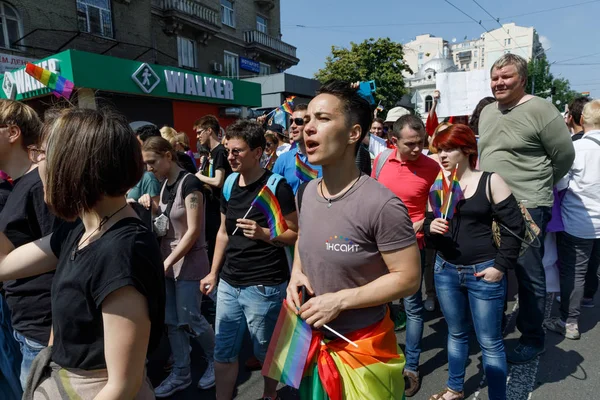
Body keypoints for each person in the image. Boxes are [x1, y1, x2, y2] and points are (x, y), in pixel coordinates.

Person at [0, 107, 165, 399]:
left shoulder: (122, 250)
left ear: (76, 165)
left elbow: (122, 386)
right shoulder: (79, 229)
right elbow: (4, 265)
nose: (39, 164)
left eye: (45, 155)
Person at [287, 80, 421, 399]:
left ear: (353, 134)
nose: (308, 128)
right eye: (307, 119)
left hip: (364, 351)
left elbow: (409, 279)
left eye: (323, 118)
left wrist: (340, 300)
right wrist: (296, 273)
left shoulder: (382, 205)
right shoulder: (305, 192)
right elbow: (304, 238)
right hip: (312, 344)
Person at [478, 53, 575, 364]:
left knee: (528, 271)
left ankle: (533, 337)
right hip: (490, 202)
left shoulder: (541, 110)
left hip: (527, 203)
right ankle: (493, 327)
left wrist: (540, 184)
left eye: (506, 77)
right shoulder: (488, 112)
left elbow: (564, 156)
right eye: (495, 78)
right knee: (493, 265)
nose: (499, 83)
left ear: (522, 79)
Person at [200, 120, 298, 400]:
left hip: (264, 286)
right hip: (230, 282)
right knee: (224, 350)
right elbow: (222, 233)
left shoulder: (276, 187)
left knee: (265, 352)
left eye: (237, 151)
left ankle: (270, 395)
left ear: (258, 152)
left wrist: (264, 233)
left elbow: (294, 234)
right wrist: (212, 273)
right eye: (229, 150)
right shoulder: (230, 183)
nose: (230, 157)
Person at [425, 124, 524, 400]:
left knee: (490, 342)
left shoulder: (490, 181)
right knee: (456, 334)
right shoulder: (440, 184)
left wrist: (499, 267)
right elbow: (431, 229)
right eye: (439, 149)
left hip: (483, 271)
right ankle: (454, 389)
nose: (442, 155)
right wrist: (430, 226)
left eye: (449, 149)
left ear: (467, 150)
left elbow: (515, 228)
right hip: (445, 270)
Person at [140, 137, 216, 396]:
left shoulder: (190, 183)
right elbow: (165, 223)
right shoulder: (164, 186)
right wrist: (150, 207)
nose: (149, 168)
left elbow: (193, 231)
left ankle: (218, 359)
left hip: (188, 262)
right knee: (172, 322)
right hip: (168, 262)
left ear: (168, 156)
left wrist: (167, 262)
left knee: (191, 318)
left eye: (152, 162)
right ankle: (182, 373)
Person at [372, 114, 441, 397]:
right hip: (377, 247)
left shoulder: (433, 167)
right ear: (394, 141)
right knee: (378, 304)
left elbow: (442, 208)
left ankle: (411, 367)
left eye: (421, 143)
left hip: (413, 247)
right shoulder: (380, 162)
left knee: (413, 309)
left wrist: (423, 220)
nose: (417, 149)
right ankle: (382, 358)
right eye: (410, 144)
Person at [0, 100, 58, 392]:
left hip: (43, 335)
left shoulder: (39, 185)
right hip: (26, 327)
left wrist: (51, 342)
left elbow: (66, 262)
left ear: (12, 132)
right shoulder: (19, 185)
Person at [545, 99, 600, 340]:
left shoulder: (576, 149)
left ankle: (569, 321)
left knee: (574, 272)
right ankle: (588, 298)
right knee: (593, 265)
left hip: (577, 220)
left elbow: (559, 182)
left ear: (582, 119)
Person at [194, 115, 233, 262]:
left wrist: (198, 176)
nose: (197, 136)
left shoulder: (220, 152)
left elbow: (218, 181)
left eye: (199, 132)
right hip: (212, 208)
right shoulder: (212, 153)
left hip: (220, 209)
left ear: (209, 131)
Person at [272, 104, 323, 194]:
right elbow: (272, 193)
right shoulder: (283, 159)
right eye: (291, 121)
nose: (292, 126)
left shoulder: (324, 159)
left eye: (298, 121)